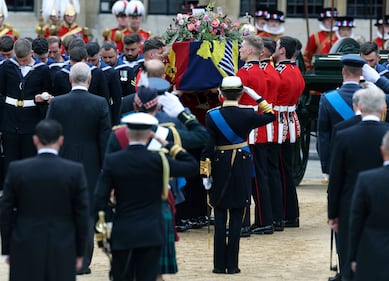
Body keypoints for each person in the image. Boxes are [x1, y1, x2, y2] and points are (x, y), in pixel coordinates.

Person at [94, 112, 198, 281]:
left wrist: (101, 234)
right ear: (150, 134)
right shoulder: (159, 160)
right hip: (151, 231)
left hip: (123, 230)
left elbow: (99, 199)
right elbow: (191, 166)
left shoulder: (113, 161)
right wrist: (169, 145)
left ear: (127, 133)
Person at [201, 76, 275, 274]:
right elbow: (271, 116)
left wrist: (204, 174)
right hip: (242, 163)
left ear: (221, 94)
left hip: (218, 164)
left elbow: (207, 148)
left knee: (219, 214)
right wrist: (256, 96)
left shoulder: (211, 115)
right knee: (237, 215)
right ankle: (232, 265)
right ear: (241, 93)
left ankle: (218, 265)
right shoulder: (248, 113)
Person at [0, 119, 89, 281]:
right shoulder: (74, 171)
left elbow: (5, 210)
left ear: (35, 140)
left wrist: (6, 249)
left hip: (25, 244)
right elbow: (81, 214)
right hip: (63, 244)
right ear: (61, 140)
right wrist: (80, 252)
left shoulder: (17, 169)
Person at [46, 62, 111, 275]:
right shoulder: (100, 103)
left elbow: (48, 136)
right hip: (91, 165)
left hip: (61, 164)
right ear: (90, 80)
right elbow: (105, 140)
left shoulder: (57, 104)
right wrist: (105, 169)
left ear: (69, 79)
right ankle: (82, 263)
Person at [327, 84, 389, 281]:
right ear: (383, 109)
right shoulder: (386, 133)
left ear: (359, 106)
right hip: (383, 200)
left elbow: (336, 177)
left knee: (348, 255)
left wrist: (333, 213)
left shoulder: (344, 134)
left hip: (349, 203)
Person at [0, 38, 52, 185]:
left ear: (32, 52)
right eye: (19, 59)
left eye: (24, 60)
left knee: (29, 158)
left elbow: (47, 91)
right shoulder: (7, 67)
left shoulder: (42, 69)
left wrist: (42, 99)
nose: (21, 63)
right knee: (10, 158)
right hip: (10, 120)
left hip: (31, 121)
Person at [236, 35, 273, 236]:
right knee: (260, 177)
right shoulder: (261, 71)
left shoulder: (245, 72)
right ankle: (264, 220)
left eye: (242, 47)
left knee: (248, 178)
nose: (240, 50)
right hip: (258, 127)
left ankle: (245, 222)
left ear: (250, 51)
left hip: (246, 129)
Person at [272, 36, 305, 227]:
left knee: (279, 170)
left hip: (278, 124)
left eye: (276, 46)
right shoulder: (294, 70)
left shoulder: (280, 72)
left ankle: (283, 213)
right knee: (285, 170)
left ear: (282, 50)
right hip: (289, 122)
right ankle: (290, 213)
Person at [348, 130, 389, 281]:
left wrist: (353, 257)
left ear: (382, 151)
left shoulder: (366, 180)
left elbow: (356, 222)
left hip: (373, 255)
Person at [317, 54, 365, 178]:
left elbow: (323, 135)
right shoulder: (372, 97)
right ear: (361, 72)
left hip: (337, 159)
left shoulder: (328, 99)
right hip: (365, 160)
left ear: (343, 71)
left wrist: (325, 166)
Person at [86, 42, 122, 125]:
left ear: (99, 55)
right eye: (88, 60)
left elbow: (116, 99)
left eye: (93, 60)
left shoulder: (110, 72)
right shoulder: (82, 70)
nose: (91, 63)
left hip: (103, 112)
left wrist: (114, 122)